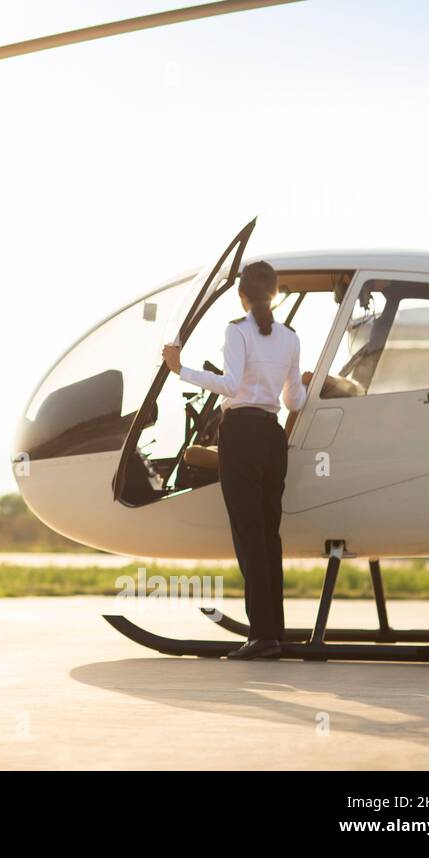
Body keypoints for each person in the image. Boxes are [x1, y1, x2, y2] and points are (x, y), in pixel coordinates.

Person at [162, 260, 309, 660]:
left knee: (248, 537)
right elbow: (295, 400)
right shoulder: (290, 338)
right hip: (272, 436)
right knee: (268, 536)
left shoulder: (237, 331)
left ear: (243, 296)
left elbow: (229, 385)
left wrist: (180, 370)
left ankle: (262, 636)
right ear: (274, 293)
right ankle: (272, 630)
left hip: (241, 435)